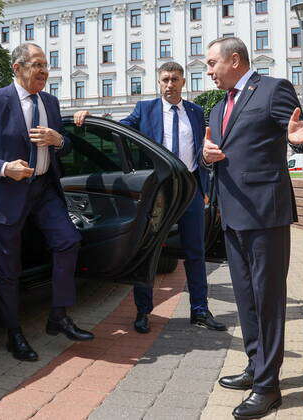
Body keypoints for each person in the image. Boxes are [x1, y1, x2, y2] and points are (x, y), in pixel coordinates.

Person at [203, 37, 303, 419]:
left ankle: (269, 388)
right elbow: (221, 152)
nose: (208, 72)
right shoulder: (218, 106)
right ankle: (255, 367)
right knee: (246, 299)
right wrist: (208, 157)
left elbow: (300, 131)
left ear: (234, 60)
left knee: (268, 300)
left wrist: (301, 140)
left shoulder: (272, 89)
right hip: (232, 214)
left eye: (211, 63)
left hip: (265, 214)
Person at [0, 43, 94, 362]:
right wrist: (6, 168)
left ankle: (58, 316)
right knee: (9, 268)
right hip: (6, 194)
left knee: (68, 241)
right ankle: (13, 333)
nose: (44, 71)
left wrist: (58, 139)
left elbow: (66, 148)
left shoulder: (49, 101)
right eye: (37, 65)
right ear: (17, 67)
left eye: (46, 65)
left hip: (45, 190)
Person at [74, 62, 227, 335]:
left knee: (196, 252)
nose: (170, 84)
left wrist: (203, 188)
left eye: (175, 79)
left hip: (189, 190)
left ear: (183, 82)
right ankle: (143, 312)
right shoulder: (145, 110)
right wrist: (91, 118)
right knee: (149, 252)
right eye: (165, 79)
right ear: (159, 82)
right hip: (158, 192)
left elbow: (202, 149)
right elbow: (117, 130)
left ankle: (200, 311)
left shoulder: (194, 112)